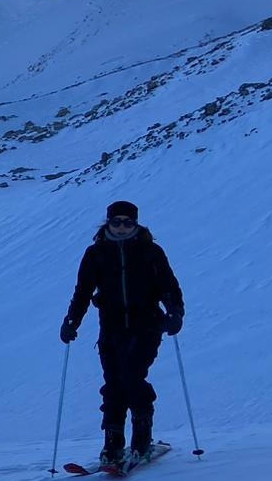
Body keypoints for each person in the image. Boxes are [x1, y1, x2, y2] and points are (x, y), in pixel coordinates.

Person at [59, 200, 185, 467]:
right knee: (114, 383)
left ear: (136, 224)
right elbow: (83, 291)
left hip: (147, 326)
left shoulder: (150, 252)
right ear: (108, 222)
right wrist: (72, 321)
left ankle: (141, 439)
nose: (122, 227)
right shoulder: (95, 254)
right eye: (116, 221)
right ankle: (112, 443)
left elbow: (168, 286)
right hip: (111, 328)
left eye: (128, 222)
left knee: (132, 376)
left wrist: (175, 313)